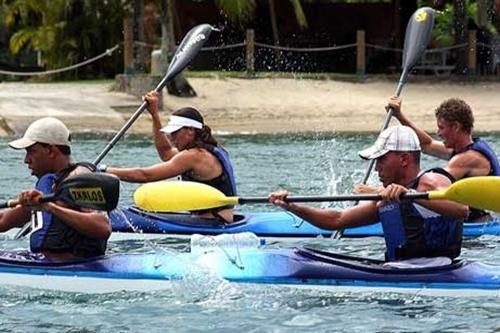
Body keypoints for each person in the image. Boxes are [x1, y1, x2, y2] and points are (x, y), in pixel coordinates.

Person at [269, 125, 468, 263]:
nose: (376, 169)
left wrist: (410, 193)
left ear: (404, 159)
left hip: (438, 270)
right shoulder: (388, 197)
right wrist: (291, 206)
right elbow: (337, 220)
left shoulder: (430, 181)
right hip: (402, 269)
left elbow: (462, 209)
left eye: (381, 160)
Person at [103, 91, 237, 223]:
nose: (172, 138)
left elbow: (146, 175)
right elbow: (165, 151)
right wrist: (154, 115)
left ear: (191, 130)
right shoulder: (205, 151)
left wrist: (104, 170)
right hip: (216, 220)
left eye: (175, 133)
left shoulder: (194, 156)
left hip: (215, 223)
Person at [0, 117, 111, 260]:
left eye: (31, 151)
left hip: (74, 268)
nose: (26, 160)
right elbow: (3, 220)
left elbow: (102, 227)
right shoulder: (50, 186)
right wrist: (43, 205)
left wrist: (50, 208)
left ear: (51, 151)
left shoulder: (79, 178)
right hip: (44, 262)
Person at [387, 96, 500, 221]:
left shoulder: (466, 159)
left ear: (455, 127)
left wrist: (389, 190)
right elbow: (426, 144)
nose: (438, 133)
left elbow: (431, 185)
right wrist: (399, 116)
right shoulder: (464, 149)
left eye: (441, 128)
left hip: (477, 228)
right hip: (482, 221)